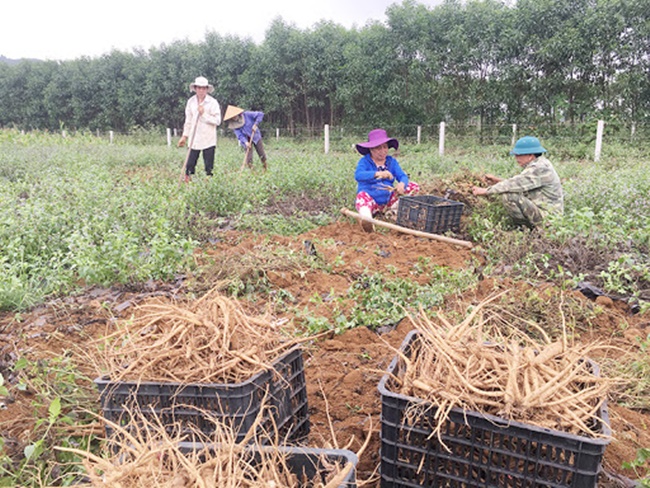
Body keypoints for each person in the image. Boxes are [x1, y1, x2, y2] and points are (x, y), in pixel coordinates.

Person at [472, 135, 563, 228]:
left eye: (519, 155)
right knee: (509, 191)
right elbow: (521, 183)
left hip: (549, 217)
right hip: (545, 211)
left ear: (530, 156)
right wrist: (497, 181)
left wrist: (485, 191)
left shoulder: (539, 168)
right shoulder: (540, 164)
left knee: (509, 196)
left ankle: (525, 229)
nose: (516, 158)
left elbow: (514, 184)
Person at [354, 128, 420, 232]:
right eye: (378, 148)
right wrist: (377, 174)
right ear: (371, 149)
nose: (383, 151)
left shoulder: (391, 162)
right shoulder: (365, 161)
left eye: (385, 147)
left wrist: (402, 184)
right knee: (362, 197)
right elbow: (358, 175)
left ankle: (392, 212)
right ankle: (367, 220)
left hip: (389, 201)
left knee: (413, 187)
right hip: (372, 200)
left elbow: (402, 176)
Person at [178, 76, 222, 181]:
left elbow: (217, 121)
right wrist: (184, 136)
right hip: (194, 138)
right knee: (190, 164)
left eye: (203, 88)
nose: (201, 90)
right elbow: (188, 120)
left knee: (209, 166)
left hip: (208, 138)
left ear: (207, 89)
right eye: (199, 88)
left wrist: (204, 114)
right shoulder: (191, 102)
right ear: (195, 88)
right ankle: (188, 185)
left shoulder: (212, 102)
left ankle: (209, 186)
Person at [223, 105, 268, 171]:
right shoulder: (233, 125)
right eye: (232, 117)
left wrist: (255, 124)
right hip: (246, 140)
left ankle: (265, 168)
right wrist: (246, 142)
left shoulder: (247, 115)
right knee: (248, 158)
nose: (234, 117)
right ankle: (252, 172)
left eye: (234, 115)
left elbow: (260, 114)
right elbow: (239, 135)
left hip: (255, 135)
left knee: (261, 154)